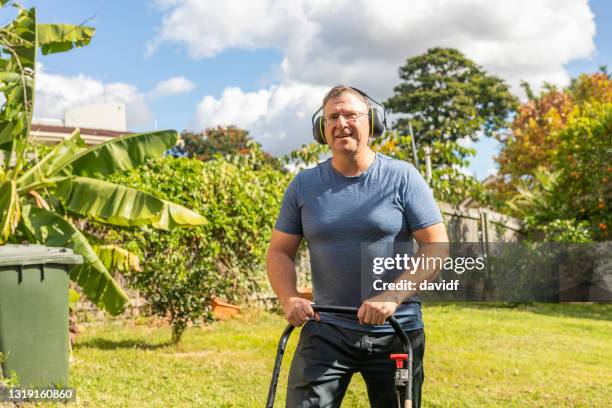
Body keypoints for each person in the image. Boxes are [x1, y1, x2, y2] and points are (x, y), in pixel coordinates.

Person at [266, 85, 448, 408]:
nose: (341, 123)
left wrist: (391, 298)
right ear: (321, 129)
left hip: (395, 328)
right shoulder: (303, 186)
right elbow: (280, 250)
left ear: (372, 122)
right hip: (326, 330)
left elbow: (436, 246)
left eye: (351, 114)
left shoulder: (403, 178)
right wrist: (289, 297)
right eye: (332, 116)